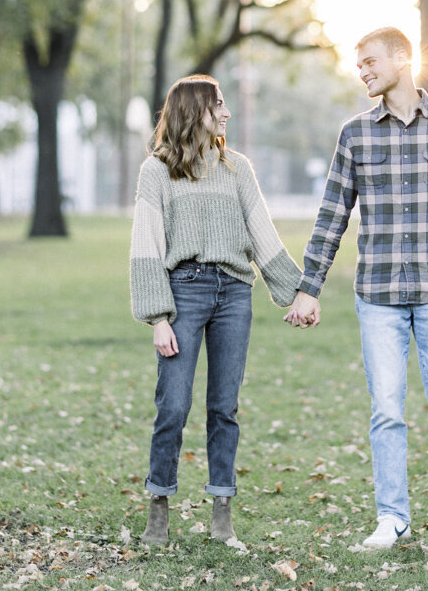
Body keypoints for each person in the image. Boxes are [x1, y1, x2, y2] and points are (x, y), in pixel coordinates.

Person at [285, 27, 428, 553]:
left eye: (371, 62)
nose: (364, 71)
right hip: (377, 296)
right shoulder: (355, 134)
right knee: (387, 412)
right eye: (359, 66)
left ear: (404, 58)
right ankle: (392, 518)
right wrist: (309, 288)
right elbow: (332, 215)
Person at [130, 74, 304, 547]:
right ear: (193, 111)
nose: (226, 113)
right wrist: (158, 317)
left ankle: (222, 512)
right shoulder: (157, 171)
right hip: (183, 292)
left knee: (224, 407)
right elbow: (146, 245)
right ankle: (159, 508)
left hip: (234, 294)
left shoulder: (237, 168)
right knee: (173, 405)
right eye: (218, 105)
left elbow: (262, 232)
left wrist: (297, 292)